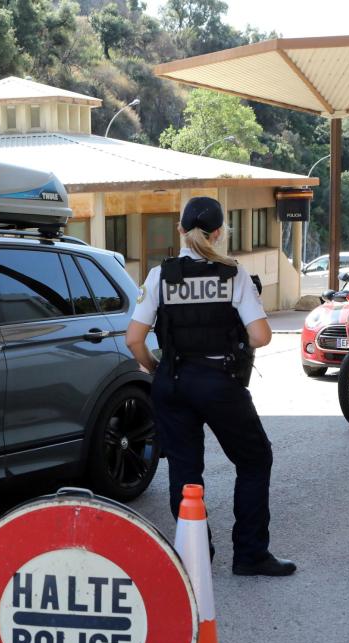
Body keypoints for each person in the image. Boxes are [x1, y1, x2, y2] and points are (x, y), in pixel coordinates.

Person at [125, 197, 296, 577]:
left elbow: (134, 338)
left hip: (173, 381)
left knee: (185, 470)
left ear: (180, 231)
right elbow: (261, 336)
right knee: (254, 460)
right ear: (219, 233)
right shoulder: (232, 274)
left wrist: (157, 367)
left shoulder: (160, 275)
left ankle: (194, 554)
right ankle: (250, 554)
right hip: (218, 382)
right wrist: (229, 346)